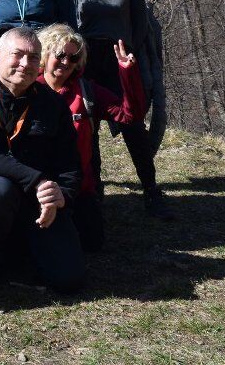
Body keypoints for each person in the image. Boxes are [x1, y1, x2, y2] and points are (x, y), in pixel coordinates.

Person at [0, 27, 84, 294]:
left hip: (40, 200)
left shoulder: (54, 104)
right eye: (18, 55)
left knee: (68, 279)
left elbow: (70, 161)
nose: (26, 63)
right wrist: (36, 180)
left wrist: (61, 195)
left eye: (34, 57)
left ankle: (24, 252)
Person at [68, 0, 172, 218]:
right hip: (87, 62)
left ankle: (151, 190)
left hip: (121, 61)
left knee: (133, 124)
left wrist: (129, 54)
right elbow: (70, 25)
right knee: (88, 127)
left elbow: (140, 24)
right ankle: (95, 190)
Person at [36, 24, 146, 251]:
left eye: (73, 57)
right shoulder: (28, 89)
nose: (66, 62)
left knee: (92, 245)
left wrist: (127, 72)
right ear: (45, 54)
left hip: (78, 190)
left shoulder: (87, 92)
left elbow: (129, 115)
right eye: (60, 55)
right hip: (37, 188)